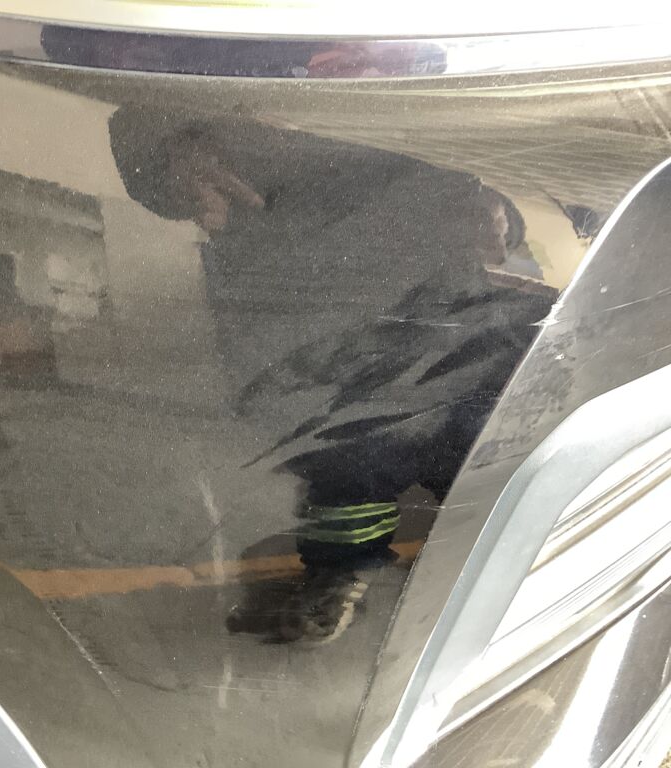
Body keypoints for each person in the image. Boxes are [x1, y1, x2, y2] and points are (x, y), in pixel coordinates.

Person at [109, 106, 555, 640]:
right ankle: (343, 571)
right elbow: (135, 119)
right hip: (311, 320)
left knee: (483, 458)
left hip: (442, 318)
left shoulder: (412, 96)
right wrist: (173, 156)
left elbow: (485, 150)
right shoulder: (240, 127)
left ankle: (508, 569)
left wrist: (501, 210)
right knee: (348, 469)